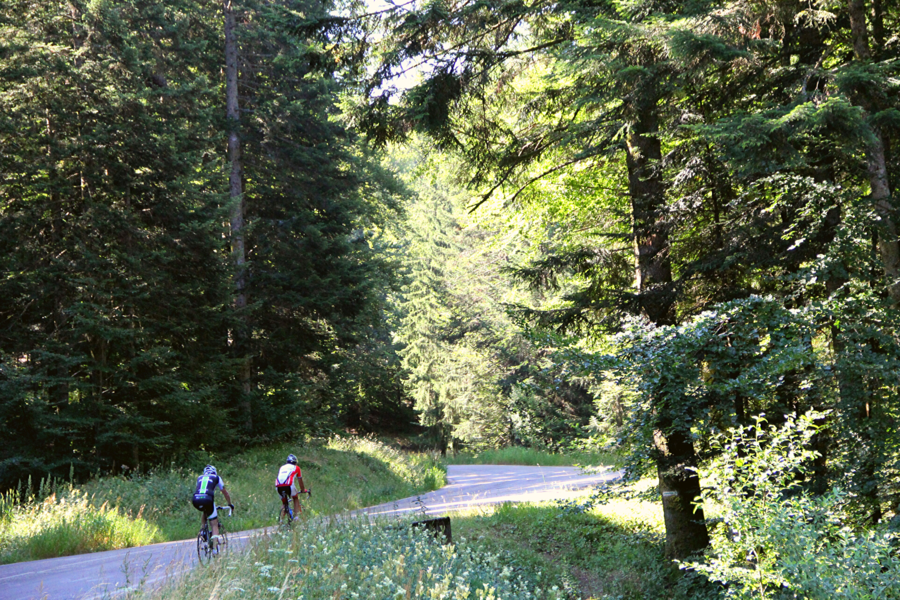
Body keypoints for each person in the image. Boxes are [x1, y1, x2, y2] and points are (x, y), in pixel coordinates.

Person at [192, 465, 234, 548]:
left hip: (195, 499)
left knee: (205, 510)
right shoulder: (217, 477)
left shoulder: (200, 477)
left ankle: (203, 530)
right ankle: (214, 549)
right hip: (208, 499)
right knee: (214, 524)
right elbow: (225, 493)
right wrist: (230, 504)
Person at [275, 454, 307, 521]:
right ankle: (296, 517)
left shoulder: (282, 467)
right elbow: (300, 480)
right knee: (295, 498)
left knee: (284, 503)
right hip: (289, 485)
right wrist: (303, 490)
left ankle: (281, 521)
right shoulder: (296, 468)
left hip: (278, 486)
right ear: (295, 462)